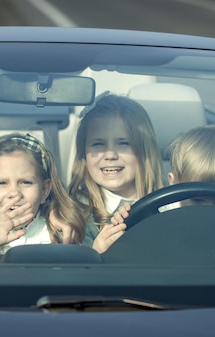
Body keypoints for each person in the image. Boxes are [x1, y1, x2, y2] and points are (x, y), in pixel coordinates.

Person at [68, 93, 164, 253]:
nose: (110, 155)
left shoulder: (171, 204)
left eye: (123, 143)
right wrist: (95, 255)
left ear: (144, 149)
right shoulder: (75, 215)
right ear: (84, 153)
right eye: (98, 144)